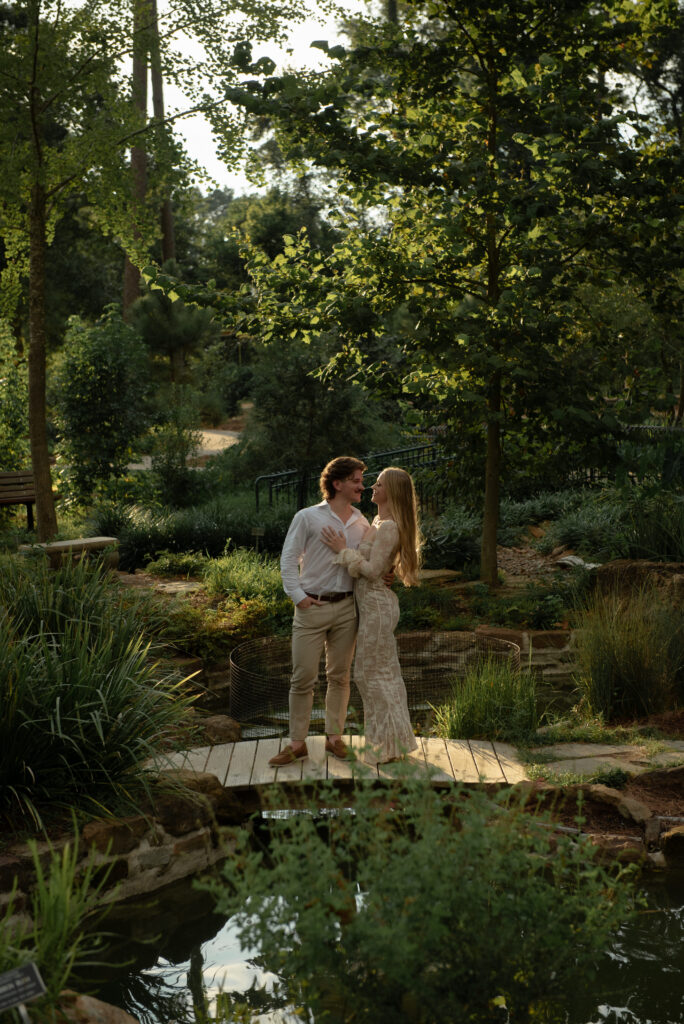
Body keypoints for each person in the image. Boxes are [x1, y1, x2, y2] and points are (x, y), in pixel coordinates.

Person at [269, 456, 369, 766]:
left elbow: (364, 563)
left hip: (347, 609)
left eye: (361, 480)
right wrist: (298, 596)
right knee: (303, 678)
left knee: (339, 677)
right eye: (355, 480)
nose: (361, 485)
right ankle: (297, 744)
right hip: (311, 608)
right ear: (337, 484)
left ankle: (334, 739)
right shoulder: (307, 517)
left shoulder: (361, 523)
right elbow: (288, 559)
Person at [321, 467, 420, 764]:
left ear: (392, 491)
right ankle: (392, 744)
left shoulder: (389, 526)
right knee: (381, 674)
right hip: (371, 605)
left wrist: (343, 551)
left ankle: (386, 747)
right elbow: (375, 567)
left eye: (379, 484)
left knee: (370, 675)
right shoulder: (378, 521)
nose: (372, 488)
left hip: (377, 607)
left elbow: (374, 571)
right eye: (373, 483)